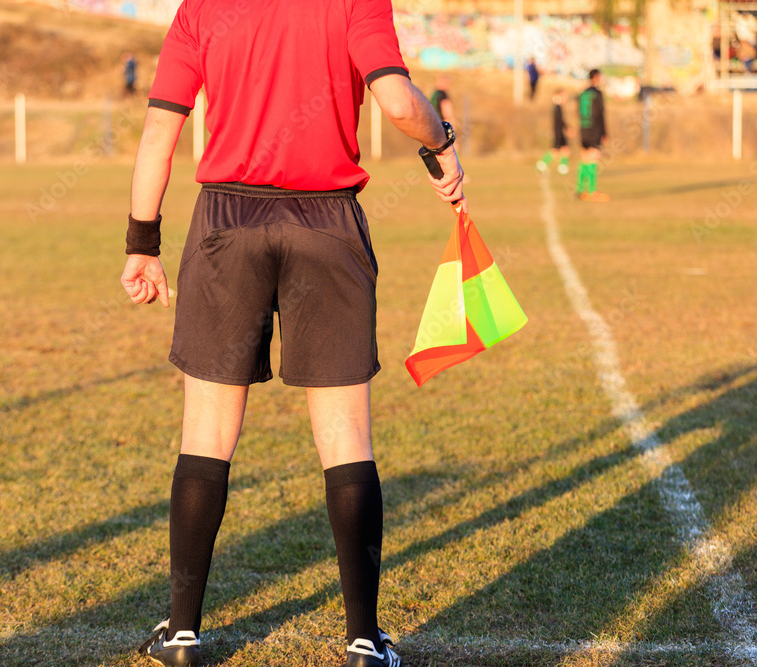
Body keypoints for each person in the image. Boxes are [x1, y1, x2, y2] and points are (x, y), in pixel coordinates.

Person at [121, 1, 464, 666]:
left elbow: (157, 136)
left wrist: (143, 242)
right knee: (346, 437)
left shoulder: (201, 10)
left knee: (206, 435)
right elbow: (397, 101)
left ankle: (183, 630)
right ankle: (365, 639)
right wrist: (441, 143)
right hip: (326, 223)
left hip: (226, 221)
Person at [576, 69, 608, 202]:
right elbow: (600, 114)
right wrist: (604, 132)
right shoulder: (597, 94)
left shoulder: (582, 94)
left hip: (583, 129)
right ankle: (593, 191)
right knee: (594, 159)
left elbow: (578, 113)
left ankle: (580, 190)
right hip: (594, 130)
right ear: (596, 77)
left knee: (584, 159)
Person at [536, 88, 571, 175]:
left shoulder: (558, 107)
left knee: (564, 150)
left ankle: (562, 167)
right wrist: (567, 129)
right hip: (559, 133)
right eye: (564, 96)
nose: (566, 98)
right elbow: (560, 121)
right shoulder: (557, 107)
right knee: (556, 151)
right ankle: (543, 164)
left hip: (559, 132)